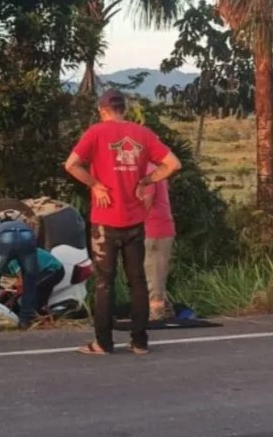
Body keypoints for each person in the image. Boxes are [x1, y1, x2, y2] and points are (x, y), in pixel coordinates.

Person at [64, 89, 181, 355]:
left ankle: (103, 342)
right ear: (124, 109)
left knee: (105, 282)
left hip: (105, 220)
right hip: (135, 221)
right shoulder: (143, 135)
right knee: (137, 280)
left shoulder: (95, 133)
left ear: (101, 110)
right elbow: (173, 164)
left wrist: (96, 185)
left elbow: (71, 164)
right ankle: (139, 341)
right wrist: (148, 180)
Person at [0, 219, 38, 332]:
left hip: (5, 236)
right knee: (30, 279)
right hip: (27, 234)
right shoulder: (23, 224)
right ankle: (25, 321)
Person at [141, 163, 176, 321]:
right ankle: (165, 308)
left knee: (153, 271)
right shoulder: (156, 168)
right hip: (161, 225)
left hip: (153, 227)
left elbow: (146, 200)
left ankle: (157, 312)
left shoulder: (146, 171)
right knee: (157, 271)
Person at [4, 248, 65, 315]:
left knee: (34, 294)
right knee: (40, 300)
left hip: (53, 270)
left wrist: (11, 300)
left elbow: (22, 284)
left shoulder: (13, 260)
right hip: (48, 270)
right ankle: (43, 316)